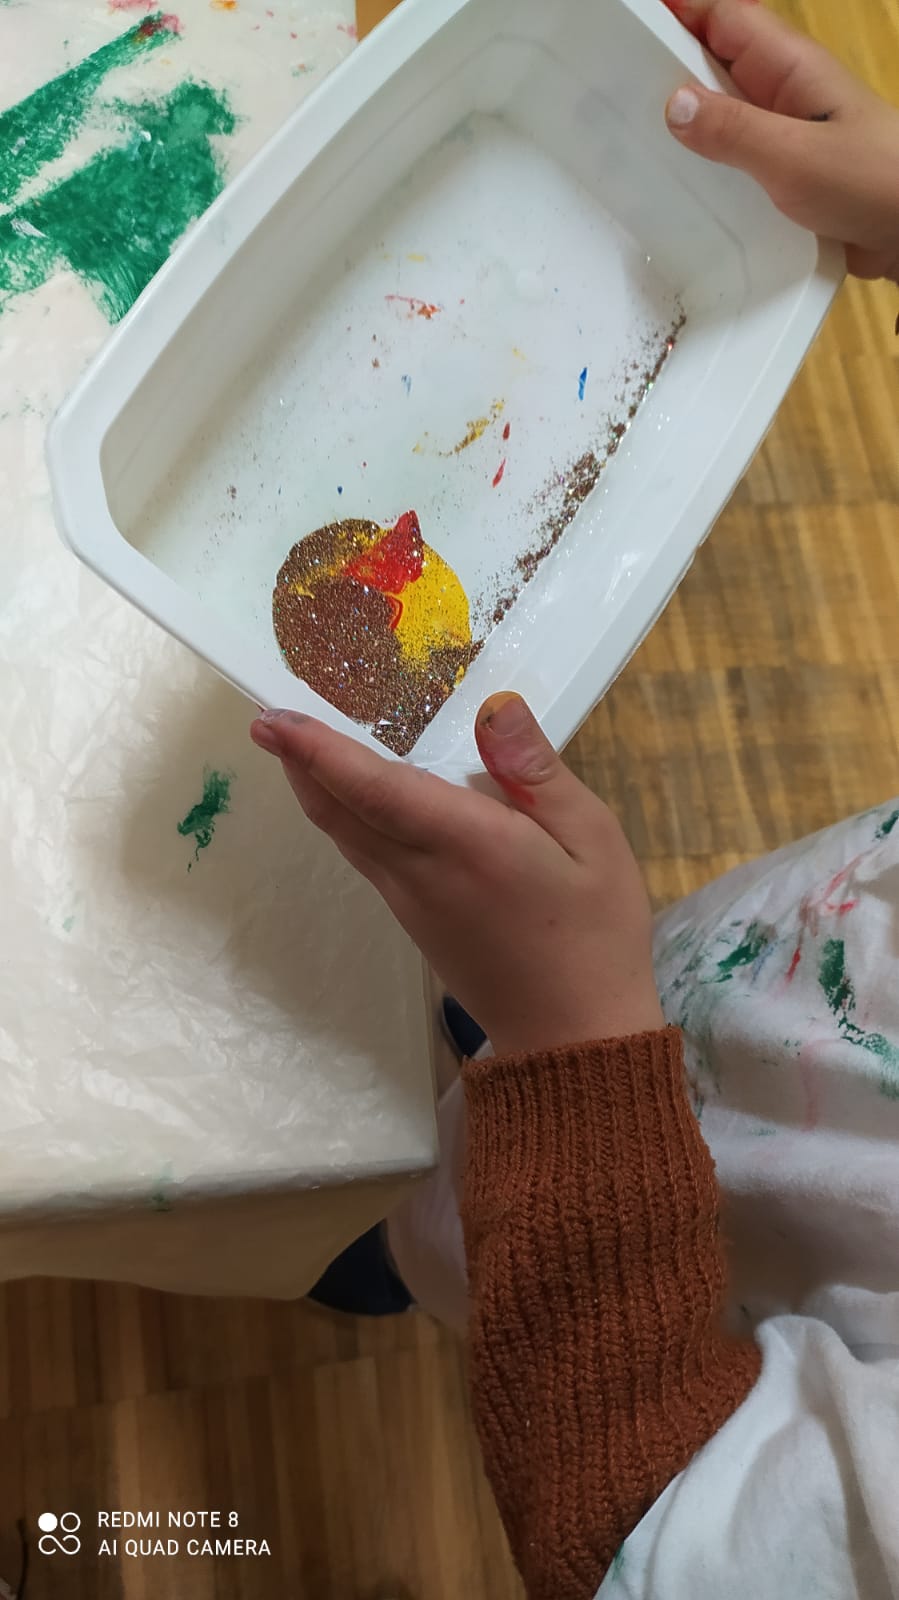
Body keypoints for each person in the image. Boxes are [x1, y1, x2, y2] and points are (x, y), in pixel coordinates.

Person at [251, 4, 899, 1597]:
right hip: (711, 998)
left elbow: (644, 1541)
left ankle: (381, 1248)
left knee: (425, 1217)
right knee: (508, 1026)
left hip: (656, 1248)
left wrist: (568, 1040)